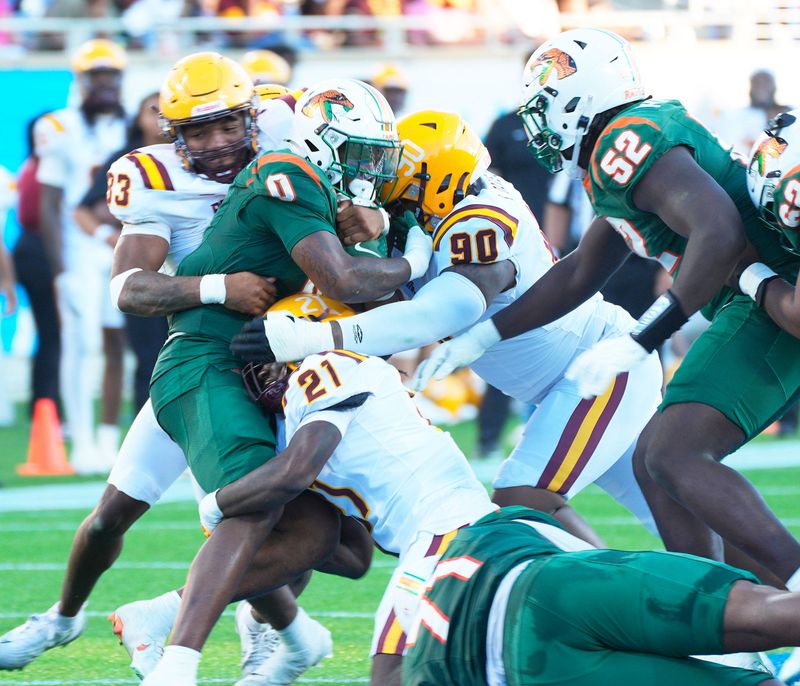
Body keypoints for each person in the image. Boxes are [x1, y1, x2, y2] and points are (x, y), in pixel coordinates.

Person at [0, 55, 388, 680]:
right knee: (114, 517)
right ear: (170, 133)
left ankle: (277, 631)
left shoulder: (293, 129)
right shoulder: (152, 178)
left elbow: (365, 187)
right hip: (205, 359)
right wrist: (216, 288)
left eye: (227, 126)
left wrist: (371, 218)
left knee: (319, 534)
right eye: (197, 132)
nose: (215, 144)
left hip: (286, 363)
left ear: (253, 115)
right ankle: (64, 618)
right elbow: (128, 287)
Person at [411, 28, 800, 590]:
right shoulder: (617, 149)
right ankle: (726, 617)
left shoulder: (626, 141)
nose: (538, 123)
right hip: (757, 301)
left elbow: (718, 230)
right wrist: (485, 335)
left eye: (545, 107)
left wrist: (644, 336)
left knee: (673, 454)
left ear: (580, 98)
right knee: (657, 462)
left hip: (768, 303)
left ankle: (778, 596)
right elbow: (579, 270)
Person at [235, 110, 662, 548]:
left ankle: (610, 597)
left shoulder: (479, 222)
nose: (387, 190)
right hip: (566, 378)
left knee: (522, 500)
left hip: (594, 369)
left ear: (435, 183)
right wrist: (387, 228)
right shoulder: (442, 207)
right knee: (667, 505)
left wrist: (317, 338)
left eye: (402, 183)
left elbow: (437, 315)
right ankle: (717, 591)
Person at [133, 76, 432, 684]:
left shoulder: (314, 184)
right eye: (357, 154)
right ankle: (177, 663)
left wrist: (372, 229)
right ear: (321, 143)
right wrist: (419, 258)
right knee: (260, 503)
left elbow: (358, 292)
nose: (367, 170)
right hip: (207, 358)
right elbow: (347, 284)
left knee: (337, 544)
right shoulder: (287, 173)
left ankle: (237, 627)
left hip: (264, 362)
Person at [140, 293, 496, 686]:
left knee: (391, 674)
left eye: (263, 356)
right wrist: (263, 596)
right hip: (453, 533)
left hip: (447, 533)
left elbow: (294, 473)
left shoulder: (329, 365)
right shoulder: (301, 419)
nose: (258, 372)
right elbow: (353, 557)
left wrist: (215, 505)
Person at [404, 506, 796, 686]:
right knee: (760, 611)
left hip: (523, 671)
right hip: (553, 583)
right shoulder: (480, 531)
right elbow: (552, 530)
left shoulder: (419, 665)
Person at [36, 38, 129, 474]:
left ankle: (108, 439)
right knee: (81, 343)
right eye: (98, 77)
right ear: (81, 80)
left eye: (112, 77)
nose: (106, 86)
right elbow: (50, 204)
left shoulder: (128, 126)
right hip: (77, 250)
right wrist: (58, 270)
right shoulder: (59, 126)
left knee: (116, 343)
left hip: (118, 248)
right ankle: (82, 440)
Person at [75, 91, 168, 433]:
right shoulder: (125, 160)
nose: (160, 116)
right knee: (146, 355)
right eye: (152, 109)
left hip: (187, 268)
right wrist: (108, 236)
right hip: (141, 269)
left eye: (166, 109)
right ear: (137, 118)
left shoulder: (192, 156)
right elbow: (84, 208)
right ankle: (147, 434)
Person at [12, 115, 62, 418]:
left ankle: (47, 404)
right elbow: (35, 217)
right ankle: (47, 406)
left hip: (34, 252)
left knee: (49, 334)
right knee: (52, 334)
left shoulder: (32, 167)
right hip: (39, 254)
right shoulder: (41, 172)